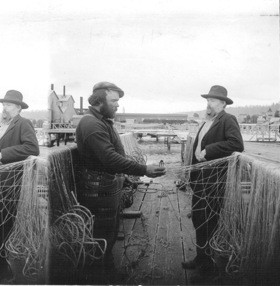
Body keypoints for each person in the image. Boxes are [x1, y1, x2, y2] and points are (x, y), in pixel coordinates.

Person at [75, 81, 166, 283]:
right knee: (102, 236)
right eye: (114, 101)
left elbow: (109, 156)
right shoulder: (91, 123)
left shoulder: (102, 121)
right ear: (99, 101)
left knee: (109, 233)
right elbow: (108, 158)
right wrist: (144, 170)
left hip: (106, 186)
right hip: (98, 190)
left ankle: (107, 273)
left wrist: (124, 177)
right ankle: (100, 278)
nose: (117, 105)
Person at [0, 90, 40, 283]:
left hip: (9, 183)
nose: (4, 108)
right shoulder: (3, 125)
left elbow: (32, 148)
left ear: (19, 108)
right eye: (3, 104)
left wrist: (5, 153)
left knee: (2, 223)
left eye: (9, 105)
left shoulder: (23, 124)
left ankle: (3, 270)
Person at [182, 85, 244, 281]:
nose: (208, 103)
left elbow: (237, 144)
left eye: (213, 100)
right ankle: (201, 258)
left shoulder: (228, 119)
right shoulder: (207, 121)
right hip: (200, 178)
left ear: (223, 103)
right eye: (207, 100)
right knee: (198, 219)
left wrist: (210, 149)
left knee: (209, 221)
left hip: (214, 179)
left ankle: (207, 266)